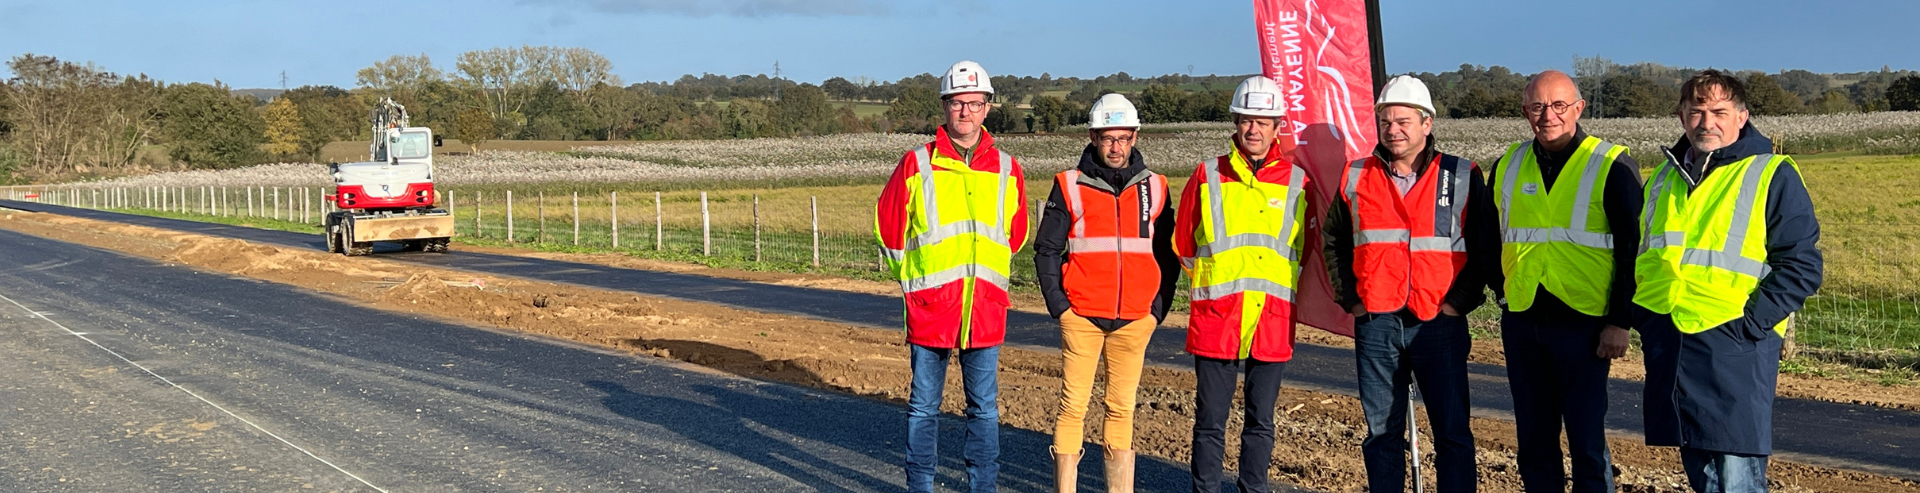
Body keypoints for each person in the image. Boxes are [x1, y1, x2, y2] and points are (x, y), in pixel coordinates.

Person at [1635, 69, 1822, 493]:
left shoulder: (1771, 173)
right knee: (1700, 472)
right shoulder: (1664, 177)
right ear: (1681, 117)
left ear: (1741, 116)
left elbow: (1802, 265)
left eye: (1719, 112)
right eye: (1696, 111)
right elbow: (1643, 254)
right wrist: (1645, 317)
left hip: (1735, 343)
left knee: (1737, 479)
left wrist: (1751, 324)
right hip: (1672, 339)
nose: (1707, 122)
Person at [1323, 75, 1498, 493]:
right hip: (1377, 321)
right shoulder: (1356, 174)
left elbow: (1485, 246)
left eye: (1403, 121)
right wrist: (1352, 300)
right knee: (1382, 435)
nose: (1393, 130)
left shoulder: (1461, 174)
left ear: (1427, 123)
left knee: (1452, 433)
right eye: (1386, 122)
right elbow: (1333, 241)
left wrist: (1458, 304)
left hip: (1439, 321)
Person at [874, 60, 1030, 493]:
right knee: (924, 408)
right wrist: (914, 281)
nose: (966, 111)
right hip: (931, 309)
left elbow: (1015, 234)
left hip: (985, 309)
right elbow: (889, 229)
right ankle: (920, 486)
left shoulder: (1006, 167)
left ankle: (983, 487)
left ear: (987, 107)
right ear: (945, 106)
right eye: (958, 102)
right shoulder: (918, 164)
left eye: (974, 103)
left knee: (984, 410)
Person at [1486, 70, 1643, 493]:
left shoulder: (1610, 164)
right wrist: (1501, 291)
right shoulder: (1508, 164)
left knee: (1586, 442)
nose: (1548, 115)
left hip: (1585, 323)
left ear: (1578, 109)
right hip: (1523, 319)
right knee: (1534, 440)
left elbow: (1633, 248)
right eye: (1538, 106)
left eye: (1558, 105)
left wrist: (1620, 320)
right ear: (1525, 112)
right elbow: (1487, 236)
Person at [1171, 75, 1313, 493]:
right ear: (1235, 122)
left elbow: (1305, 250)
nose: (1254, 129)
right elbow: (1184, 243)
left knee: (1260, 422)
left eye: (1263, 121)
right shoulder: (1208, 174)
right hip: (1218, 317)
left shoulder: (1298, 181)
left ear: (1277, 126)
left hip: (1271, 317)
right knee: (1209, 422)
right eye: (1247, 120)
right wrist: (1214, 285)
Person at [1033, 93, 1180, 493]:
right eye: (1108, 138)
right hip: (1080, 317)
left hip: (1135, 320)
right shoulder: (1069, 185)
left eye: (1123, 138)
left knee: (1121, 409)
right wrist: (1060, 307)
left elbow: (1168, 255)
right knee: (1072, 407)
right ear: (1093, 138)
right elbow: (1047, 250)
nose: (1116, 147)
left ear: (1134, 137)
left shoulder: (1156, 187)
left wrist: (1157, 310)